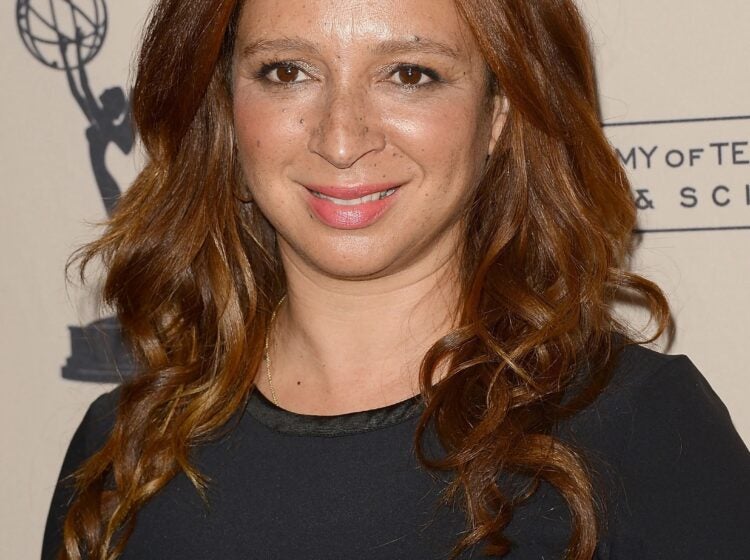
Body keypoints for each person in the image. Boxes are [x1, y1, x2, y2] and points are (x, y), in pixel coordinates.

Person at [42, 0, 750, 559]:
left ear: (499, 112)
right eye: (288, 70)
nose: (341, 137)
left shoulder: (644, 430)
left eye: (411, 74)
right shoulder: (126, 449)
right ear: (227, 103)